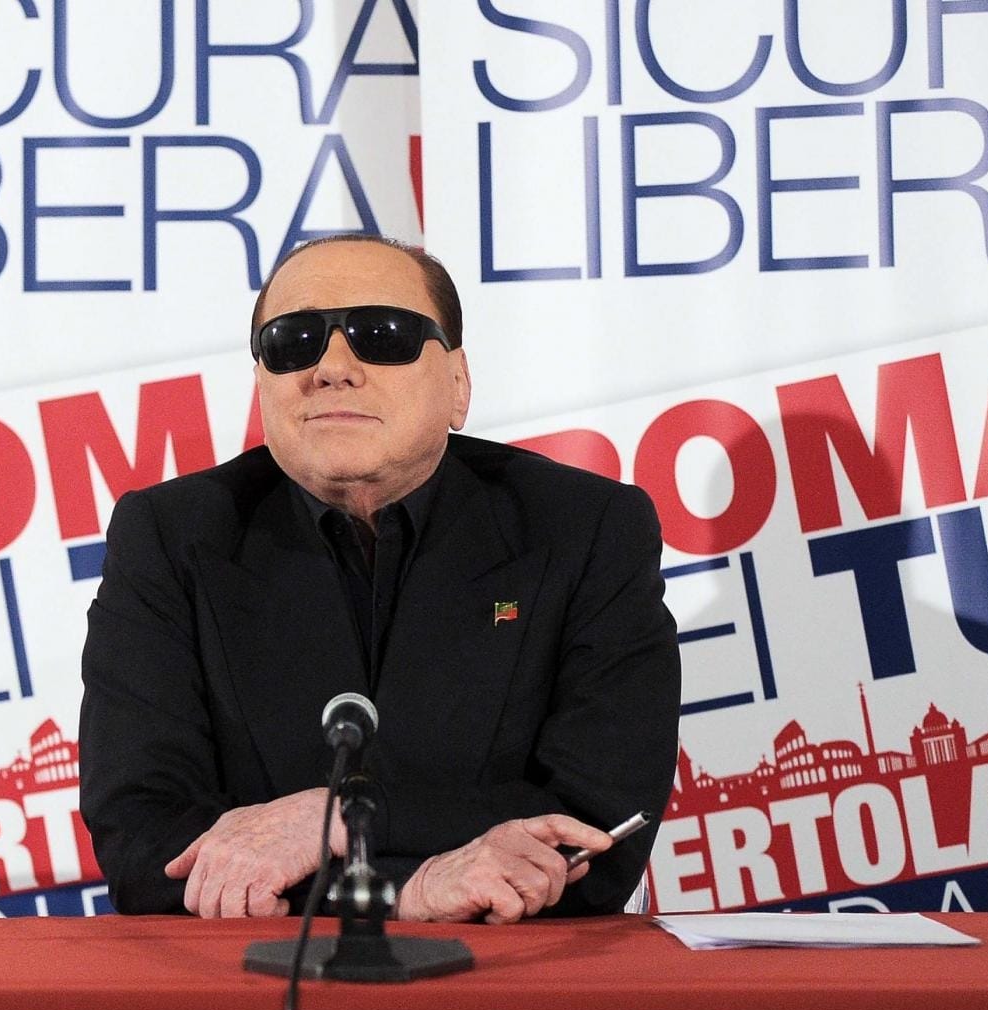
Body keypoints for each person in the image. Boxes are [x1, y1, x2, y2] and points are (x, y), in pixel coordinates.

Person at [79, 235, 680, 921]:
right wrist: (407, 892)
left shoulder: (587, 528)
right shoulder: (169, 535)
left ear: (458, 384)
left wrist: (336, 819)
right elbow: (143, 842)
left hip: (513, 973)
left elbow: (599, 825)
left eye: (383, 335)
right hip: (258, 973)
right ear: (262, 385)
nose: (332, 368)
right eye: (294, 341)